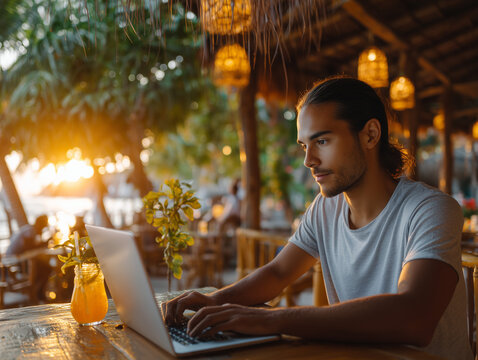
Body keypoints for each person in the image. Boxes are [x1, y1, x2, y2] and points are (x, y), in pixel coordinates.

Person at [164, 77, 472, 360]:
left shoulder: (430, 208)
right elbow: (277, 273)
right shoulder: (326, 208)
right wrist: (216, 301)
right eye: (304, 145)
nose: (309, 160)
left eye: (322, 141)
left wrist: (272, 319)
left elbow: (414, 318)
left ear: (370, 134)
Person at [6, 214, 52, 302]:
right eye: (45, 224)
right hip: (13, 261)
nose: (45, 227)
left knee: (44, 268)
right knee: (45, 269)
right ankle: (38, 295)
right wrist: (43, 244)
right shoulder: (30, 231)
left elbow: (30, 248)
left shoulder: (30, 229)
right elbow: (28, 248)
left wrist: (43, 243)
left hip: (17, 260)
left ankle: (38, 294)